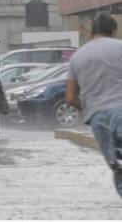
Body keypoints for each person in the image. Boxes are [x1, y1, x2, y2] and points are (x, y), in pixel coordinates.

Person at [66, 13, 122, 197]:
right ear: (113, 30)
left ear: (91, 32)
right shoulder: (119, 47)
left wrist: (91, 110)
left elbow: (71, 98)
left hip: (97, 119)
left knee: (117, 166)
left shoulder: (77, 57)